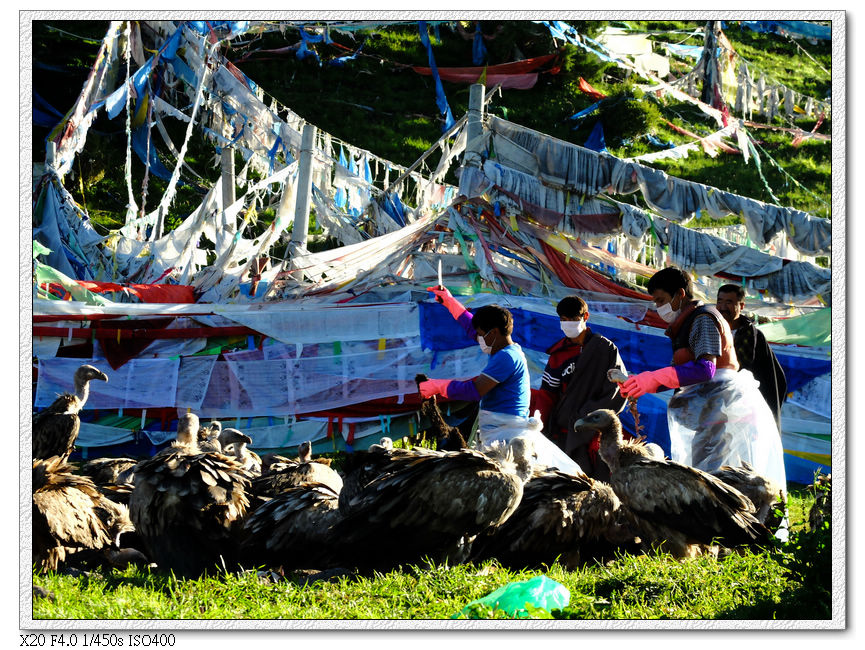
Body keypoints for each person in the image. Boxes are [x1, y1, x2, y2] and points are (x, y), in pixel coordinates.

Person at [619, 267, 786, 491]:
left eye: (661, 300)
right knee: (704, 475)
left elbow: (706, 369)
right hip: (709, 412)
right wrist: (642, 383)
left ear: (680, 294)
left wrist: (655, 377)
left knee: (712, 481)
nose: (659, 308)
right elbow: (680, 372)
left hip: (721, 412)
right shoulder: (686, 323)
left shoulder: (703, 319)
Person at [420, 286, 581, 474]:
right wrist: (448, 301)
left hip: (508, 436)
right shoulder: (500, 347)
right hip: (497, 430)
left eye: (481, 334)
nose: (477, 337)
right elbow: (470, 326)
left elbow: (474, 391)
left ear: (493, 333)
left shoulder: (507, 358)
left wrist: (437, 386)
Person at [531, 295, 628, 480]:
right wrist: (540, 426)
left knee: (600, 481)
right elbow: (548, 394)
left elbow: (617, 389)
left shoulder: (605, 349)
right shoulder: (558, 355)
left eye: (573, 319)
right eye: (563, 320)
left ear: (585, 317)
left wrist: (590, 415)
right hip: (565, 430)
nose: (567, 324)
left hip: (596, 431)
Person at [716, 283, 787, 429]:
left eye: (729, 302)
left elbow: (773, 379)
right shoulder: (709, 331)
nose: (722, 307)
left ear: (741, 306)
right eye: (720, 301)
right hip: (713, 407)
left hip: (743, 413)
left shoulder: (753, 337)